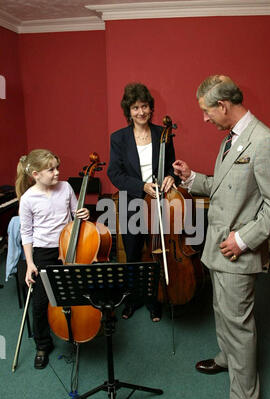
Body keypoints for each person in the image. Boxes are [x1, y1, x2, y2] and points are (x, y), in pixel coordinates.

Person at [173, 75, 270, 399]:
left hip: (238, 252)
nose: (205, 119)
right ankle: (227, 358)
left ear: (222, 106)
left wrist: (243, 240)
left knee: (239, 324)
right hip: (217, 249)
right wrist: (193, 178)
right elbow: (224, 188)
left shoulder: (264, 142)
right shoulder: (232, 139)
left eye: (207, 112)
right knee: (222, 311)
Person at [107, 82, 176, 322]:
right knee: (134, 254)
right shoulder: (118, 138)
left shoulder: (162, 134)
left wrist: (170, 176)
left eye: (144, 106)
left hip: (159, 202)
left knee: (157, 253)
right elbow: (114, 174)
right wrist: (141, 186)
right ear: (129, 111)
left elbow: (171, 167)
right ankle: (133, 299)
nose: (141, 112)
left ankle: (154, 300)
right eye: (135, 107)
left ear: (150, 108)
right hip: (132, 203)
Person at [16, 149, 89, 369]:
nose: (57, 172)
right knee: (40, 302)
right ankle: (42, 345)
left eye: (57, 167)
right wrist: (30, 263)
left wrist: (82, 213)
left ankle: (76, 330)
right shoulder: (28, 198)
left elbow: (76, 213)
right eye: (51, 170)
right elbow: (26, 233)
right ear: (36, 174)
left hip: (68, 246)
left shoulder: (65, 187)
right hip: (43, 252)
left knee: (76, 292)